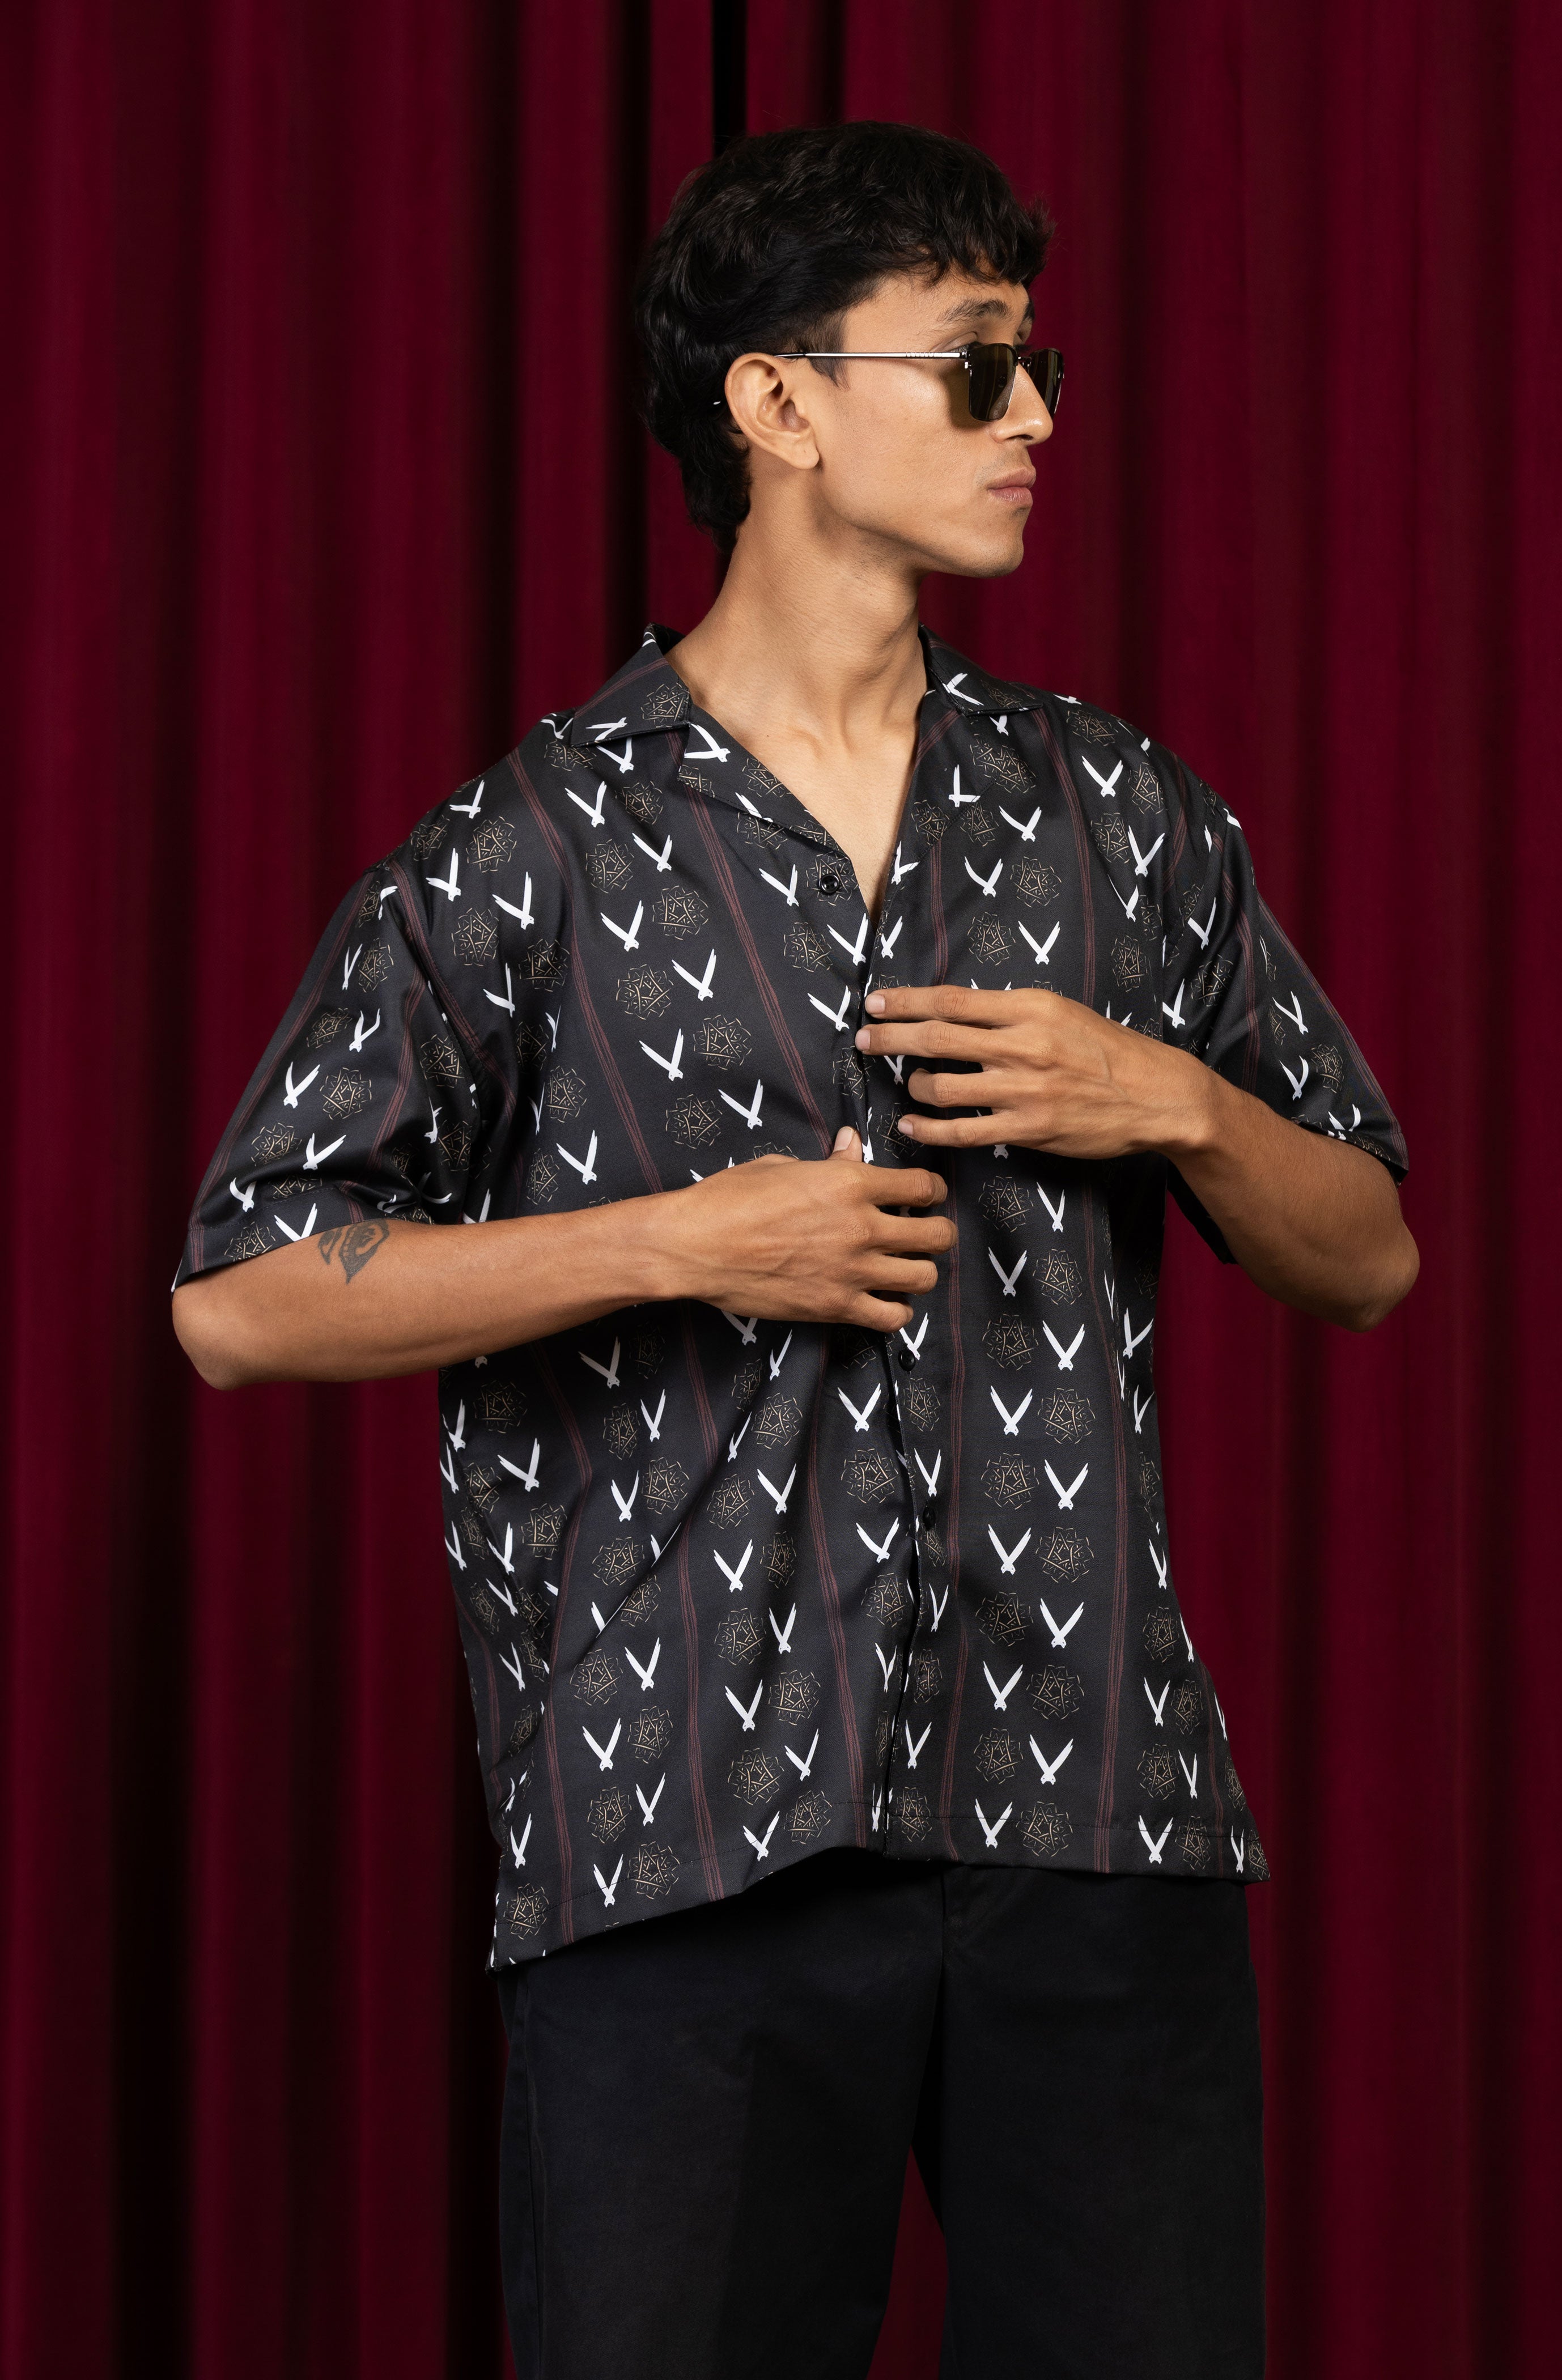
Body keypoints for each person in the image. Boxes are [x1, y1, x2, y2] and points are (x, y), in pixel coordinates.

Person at [172, 120, 1416, 2380]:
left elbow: (1369, 1253)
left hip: (1094, 1808)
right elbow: (241, 1295)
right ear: (778, 402)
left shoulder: (1112, 814)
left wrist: (1174, 1100)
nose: (1038, 422)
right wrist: (677, 1240)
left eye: (1041, 371)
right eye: (978, 366)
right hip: (681, 1830)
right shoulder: (533, 845)